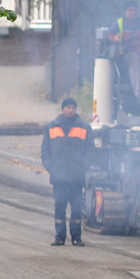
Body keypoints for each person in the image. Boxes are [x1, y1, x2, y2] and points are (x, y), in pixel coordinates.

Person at [40, 97, 92, 246]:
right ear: (63, 109)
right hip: (59, 176)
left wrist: (84, 166)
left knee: (76, 208)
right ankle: (59, 237)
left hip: (76, 176)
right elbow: (45, 150)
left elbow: (90, 150)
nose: (71, 110)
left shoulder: (84, 127)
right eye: (68, 107)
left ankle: (76, 237)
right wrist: (51, 167)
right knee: (60, 206)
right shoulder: (51, 127)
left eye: (73, 107)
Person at [108, 1, 140, 98]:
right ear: (125, 12)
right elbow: (109, 35)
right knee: (134, 60)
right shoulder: (119, 23)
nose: (133, 12)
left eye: (134, 10)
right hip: (126, 55)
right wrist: (114, 38)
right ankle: (139, 95)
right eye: (130, 10)